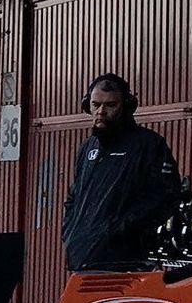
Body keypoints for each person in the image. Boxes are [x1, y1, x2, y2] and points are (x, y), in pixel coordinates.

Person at [62, 74, 181, 272]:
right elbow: (74, 196)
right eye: (96, 104)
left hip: (125, 261)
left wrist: (119, 231)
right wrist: (71, 231)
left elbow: (164, 197)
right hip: (82, 257)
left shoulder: (148, 145)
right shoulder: (88, 147)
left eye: (110, 105)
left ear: (126, 107)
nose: (101, 111)